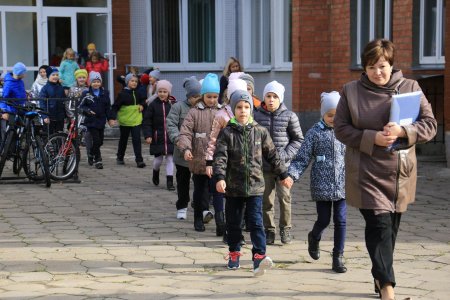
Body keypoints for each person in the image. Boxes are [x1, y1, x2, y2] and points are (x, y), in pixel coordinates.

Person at [334, 39, 437, 300]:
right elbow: (341, 129)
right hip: (366, 170)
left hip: (398, 173)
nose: (377, 72)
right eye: (371, 67)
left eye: (382, 66)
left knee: (389, 231)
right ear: (364, 68)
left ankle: (379, 277)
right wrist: (372, 138)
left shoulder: (410, 88)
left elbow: (430, 124)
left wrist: (404, 131)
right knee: (379, 225)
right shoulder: (350, 91)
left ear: (391, 64)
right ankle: (388, 288)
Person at [213, 89, 292, 275]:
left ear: (251, 109)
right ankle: (234, 253)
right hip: (233, 188)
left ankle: (259, 257)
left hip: (256, 187)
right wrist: (220, 178)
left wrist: (283, 175)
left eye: (246, 107)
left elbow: (273, 155)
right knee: (234, 223)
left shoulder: (260, 131)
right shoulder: (227, 133)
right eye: (239, 107)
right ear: (234, 110)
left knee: (257, 222)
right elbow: (220, 158)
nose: (243, 110)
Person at [287, 91, 347, 273]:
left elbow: (355, 154)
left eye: (338, 116)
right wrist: (292, 175)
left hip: (343, 184)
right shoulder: (315, 132)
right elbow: (302, 158)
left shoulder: (345, 131)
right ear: (323, 114)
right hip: (321, 184)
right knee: (324, 219)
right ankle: (314, 237)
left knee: (341, 220)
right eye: (330, 115)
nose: (334, 119)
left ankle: (338, 256)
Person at [253, 80, 304, 245]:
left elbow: (297, 140)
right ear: (264, 98)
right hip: (265, 167)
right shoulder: (256, 115)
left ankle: (285, 228)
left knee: (284, 198)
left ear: (280, 98)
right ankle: (269, 230)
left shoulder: (290, 116)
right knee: (266, 200)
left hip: (283, 168)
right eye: (268, 96)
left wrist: (285, 155)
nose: (271, 99)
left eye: (275, 96)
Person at [177, 73, 221, 232]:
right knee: (200, 189)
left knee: (217, 191)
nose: (212, 100)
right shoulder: (194, 112)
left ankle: (220, 220)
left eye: (215, 97)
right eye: (209, 96)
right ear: (203, 96)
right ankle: (198, 218)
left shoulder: (222, 112)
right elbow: (186, 132)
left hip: (218, 160)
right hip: (199, 157)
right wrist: (186, 148)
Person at [205, 78, 248, 241]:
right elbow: (213, 139)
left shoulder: (248, 113)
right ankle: (221, 222)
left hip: (241, 164)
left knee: (239, 197)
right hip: (223, 162)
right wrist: (209, 161)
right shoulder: (222, 115)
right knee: (220, 193)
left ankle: (236, 228)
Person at [167, 76, 201, 220]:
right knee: (183, 182)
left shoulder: (203, 108)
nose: (197, 99)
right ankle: (182, 206)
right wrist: (178, 139)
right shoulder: (178, 107)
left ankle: (199, 204)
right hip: (182, 154)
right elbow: (171, 124)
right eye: (194, 96)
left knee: (200, 183)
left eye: (199, 95)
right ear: (188, 96)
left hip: (200, 153)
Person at [142, 79, 175, 190]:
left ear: (168, 93)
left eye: (165, 92)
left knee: (170, 159)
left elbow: (177, 120)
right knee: (158, 160)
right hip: (158, 137)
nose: (162, 94)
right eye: (160, 91)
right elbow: (147, 121)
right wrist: (148, 135)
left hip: (170, 137)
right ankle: (155, 171)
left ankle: (169, 181)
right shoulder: (152, 105)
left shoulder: (172, 105)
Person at [79, 71, 115, 169]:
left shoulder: (105, 93)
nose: (96, 84)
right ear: (90, 83)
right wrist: (88, 111)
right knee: (96, 139)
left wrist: (111, 118)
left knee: (100, 141)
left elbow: (108, 107)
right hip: (91, 121)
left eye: (98, 81)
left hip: (101, 121)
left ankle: (91, 154)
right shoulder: (86, 93)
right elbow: (81, 106)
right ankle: (98, 160)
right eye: (94, 82)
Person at [112, 73, 146, 168]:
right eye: (132, 81)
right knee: (123, 139)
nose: (134, 83)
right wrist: (112, 118)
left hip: (136, 120)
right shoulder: (122, 94)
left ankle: (139, 160)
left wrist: (142, 105)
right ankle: (120, 157)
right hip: (125, 121)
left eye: (136, 81)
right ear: (127, 82)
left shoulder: (139, 93)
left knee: (137, 140)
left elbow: (144, 100)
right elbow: (115, 106)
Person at [0, 62, 27, 140]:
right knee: (12, 133)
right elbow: (4, 98)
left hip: (20, 109)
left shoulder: (20, 81)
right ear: (19, 73)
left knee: (20, 131)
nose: (25, 75)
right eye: (24, 72)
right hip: (11, 111)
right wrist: (4, 111)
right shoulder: (9, 84)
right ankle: (9, 150)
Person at [39, 66, 67, 135]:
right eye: (53, 75)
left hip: (60, 117)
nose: (55, 76)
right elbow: (42, 103)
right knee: (48, 135)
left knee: (59, 135)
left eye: (57, 75)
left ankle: (58, 145)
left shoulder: (60, 88)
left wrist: (65, 115)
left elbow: (64, 102)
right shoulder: (45, 88)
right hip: (49, 117)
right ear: (48, 76)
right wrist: (44, 116)